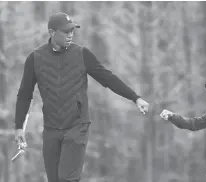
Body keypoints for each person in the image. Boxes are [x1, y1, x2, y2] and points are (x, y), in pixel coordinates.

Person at [14, 12, 149, 182]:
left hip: (77, 126)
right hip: (51, 129)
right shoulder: (35, 58)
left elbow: (108, 78)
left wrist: (135, 97)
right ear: (51, 32)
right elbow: (25, 94)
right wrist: (19, 126)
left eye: (72, 30)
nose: (70, 34)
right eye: (65, 31)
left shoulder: (82, 54)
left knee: (67, 179)